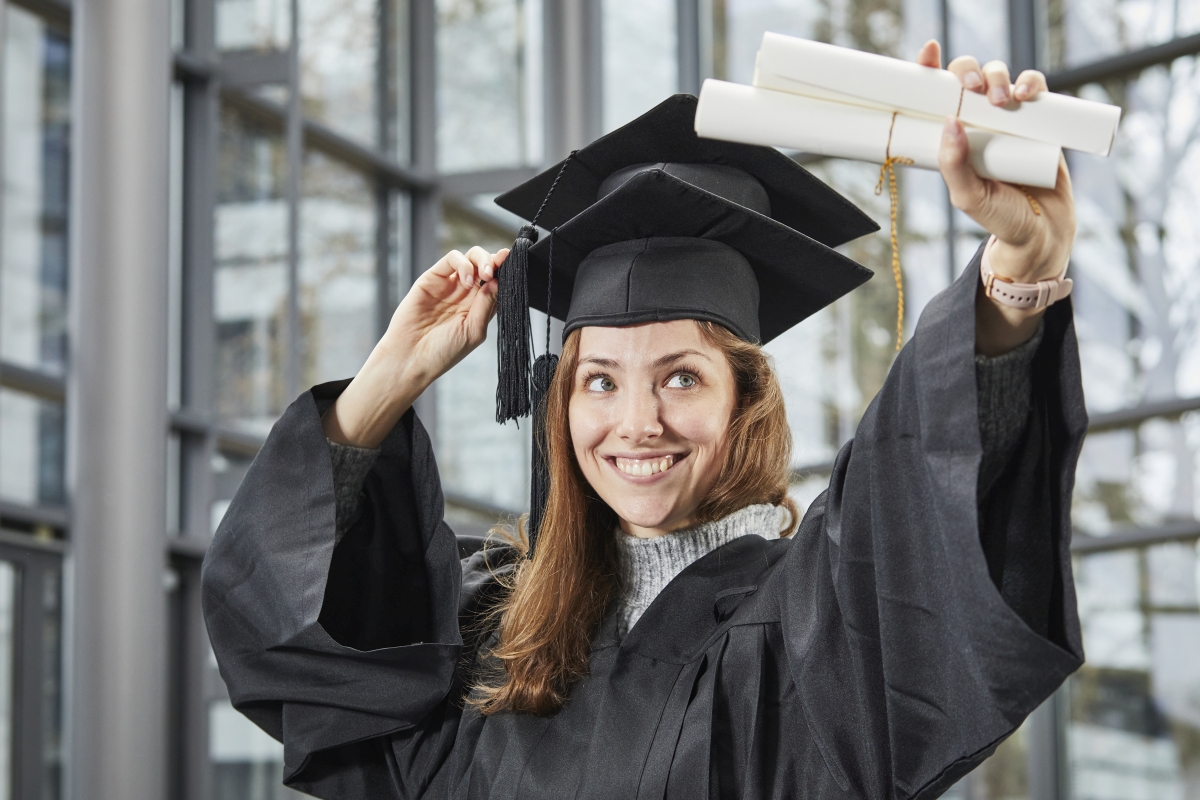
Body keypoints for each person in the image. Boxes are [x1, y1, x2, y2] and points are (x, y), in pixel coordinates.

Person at [202, 41, 1086, 800]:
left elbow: (924, 516)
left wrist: (1017, 276)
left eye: (681, 377)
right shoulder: (492, 631)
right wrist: (385, 384)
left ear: (748, 399)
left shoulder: (812, 621)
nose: (635, 423)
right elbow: (302, 657)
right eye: (597, 382)